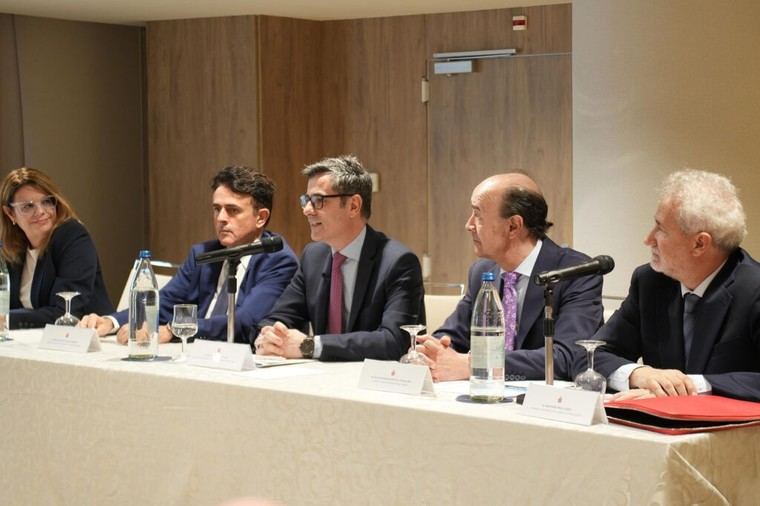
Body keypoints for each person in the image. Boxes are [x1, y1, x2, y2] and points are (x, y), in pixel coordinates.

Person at [586, 169, 760, 402]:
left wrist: (693, 385)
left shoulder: (754, 289)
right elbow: (592, 354)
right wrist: (638, 374)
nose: (648, 239)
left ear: (699, 244)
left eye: (660, 229)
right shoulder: (650, 282)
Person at [417, 173, 604, 381]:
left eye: (478, 215)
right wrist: (432, 351)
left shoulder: (575, 272)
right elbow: (452, 334)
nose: (469, 225)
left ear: (513, 226)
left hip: (544, 397)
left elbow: (566, 357)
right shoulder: (481, 271)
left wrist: (478, 364)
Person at [81, 166, 298, 343]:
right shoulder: (203, 254)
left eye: (232, 210)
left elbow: (244, 321)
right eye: (217, 209)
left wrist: (175, 329)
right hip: (195, 353)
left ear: (261, 217)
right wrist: (111, 321)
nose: (221, 218)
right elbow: (166, 302)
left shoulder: (279, 261)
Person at [254, 155, 424, 361]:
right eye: (306, 200)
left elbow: (395, 341)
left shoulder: (398, 262)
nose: (307, 210)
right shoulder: (313, 257)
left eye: (318, 200)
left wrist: (311, 346)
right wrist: (269, 335)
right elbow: (280, 316)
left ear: (353, 206)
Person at [1, 167, 113, 328]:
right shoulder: (13, 248)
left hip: (88, 336)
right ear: (10, 213)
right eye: (28, 206)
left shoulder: (73, 236)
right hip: (30, 339)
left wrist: (7, 318)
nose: (41, 211)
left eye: (47, 201)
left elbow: (65, 312)